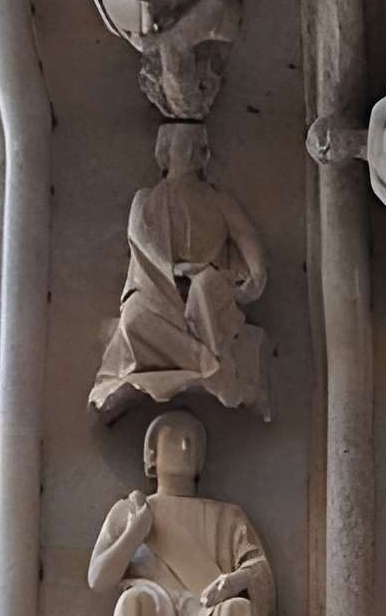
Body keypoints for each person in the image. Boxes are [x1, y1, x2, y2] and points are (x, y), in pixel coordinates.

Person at [89, 411, 274, 616]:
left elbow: (257, 566)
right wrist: (136, 532)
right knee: (137, 601)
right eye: (174, 439)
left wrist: (233, 581)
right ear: (151, 454)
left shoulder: (227, 516)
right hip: (153, 606)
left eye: (193, 443)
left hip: (206, 613)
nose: (186, 448)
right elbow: (99, 578)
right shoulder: (131, 511)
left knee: (237, 609)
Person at [90, 123, 267, 421]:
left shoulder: (218, 199)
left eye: (196, 146)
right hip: (157, 288)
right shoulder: (146, 199)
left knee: (205, 288)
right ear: (164, 153)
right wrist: (175, 270)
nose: (190, 152)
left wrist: (257, 276)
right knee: (133, 319)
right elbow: (145, 249)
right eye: (181, 145)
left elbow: (246, 236)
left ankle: (212, 367)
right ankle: (207, 366)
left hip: (208, 283)